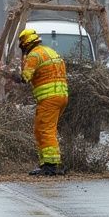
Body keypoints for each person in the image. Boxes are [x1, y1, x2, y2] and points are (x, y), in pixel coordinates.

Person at [15, 28, 68, 176]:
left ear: (25, 44)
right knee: (41, 130)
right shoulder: (49, 51)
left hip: (49, 98)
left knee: (45, 130)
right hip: (61, 96)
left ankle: (51, 166)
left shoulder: (34, 55)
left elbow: (25, 78)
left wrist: (9, 74)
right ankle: (47, 163)